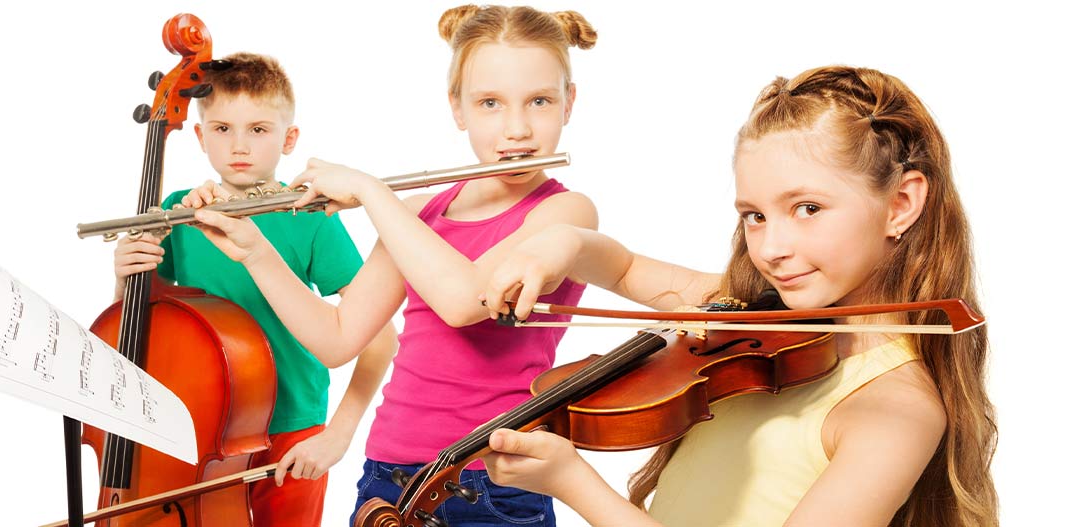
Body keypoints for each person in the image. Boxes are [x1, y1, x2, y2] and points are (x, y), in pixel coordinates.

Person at [480, 65, 999, 526]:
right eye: (755, 215)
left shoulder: (896, 412)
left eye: (808, 208)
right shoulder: (749, 327)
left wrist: (574, 484)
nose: (771, 249)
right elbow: (624, 266)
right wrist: (558, 244)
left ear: (902, 203)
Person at [187, 5, 599, 526]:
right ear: (458, 108)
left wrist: (369, 190)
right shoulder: (417, 214)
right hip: (388, 476)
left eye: (539, 101)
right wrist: (255, 251)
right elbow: (338, 339)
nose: (516, 129)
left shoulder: (566, 212)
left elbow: (463, 301)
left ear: (569, 104)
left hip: (494, 480)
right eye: (490, 103)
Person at [111, 51, 398, 527]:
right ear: (200, 135)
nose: (238, 145)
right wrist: (126, 279)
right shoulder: (177, 211)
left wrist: (338, 435)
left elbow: (380, 337)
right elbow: (146, 330)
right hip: (200, 428)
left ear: (289, 139)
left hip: (292, 432)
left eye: (258, 129)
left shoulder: (311, 216)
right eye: (222, 129)